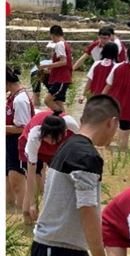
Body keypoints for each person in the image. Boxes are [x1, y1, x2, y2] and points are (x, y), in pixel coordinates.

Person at [31, 95, 120, 256]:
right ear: (111, 123)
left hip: (73, 250)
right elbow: (87, 208)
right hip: (56, 252)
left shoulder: (72, 146)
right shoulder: (85, 155)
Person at [19, 110, 80, 223]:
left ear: (64, 133)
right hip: (32, 147)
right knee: (35, 181)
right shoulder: (35, 136)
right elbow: (31, 174)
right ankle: (27, 217)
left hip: (58, 150)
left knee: (60, 179)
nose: (50, 142)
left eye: (54, 139)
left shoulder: (73, 128)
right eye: (47, 138)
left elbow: (82, 150)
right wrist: (32, 203)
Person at [103, 45, 130, 150]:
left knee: (110, 130)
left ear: (127, 54)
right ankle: (122, 156)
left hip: (112, 104)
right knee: (124, 135)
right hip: (128, 106)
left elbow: (108, 86)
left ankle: (107, 152)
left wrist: (100, 101)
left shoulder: (116, 67)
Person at [6, 67, 34, 210]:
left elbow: (24, 128)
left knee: (17, 184)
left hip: (17, 143)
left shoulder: (20, 100)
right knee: (7, 183)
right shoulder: (12, 95)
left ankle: (25, 214)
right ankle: (10, 215)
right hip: (8, 142)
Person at [40, 25, 72, 112]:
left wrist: (46, 66)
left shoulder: (59, 44)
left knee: (47, 100)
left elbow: (63, 62)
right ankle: (64, 121)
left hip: (61, 78)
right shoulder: (65, 44)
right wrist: (49, 69)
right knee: (58, 102)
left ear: (53, 35)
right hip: (62, 77)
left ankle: (60, 116)